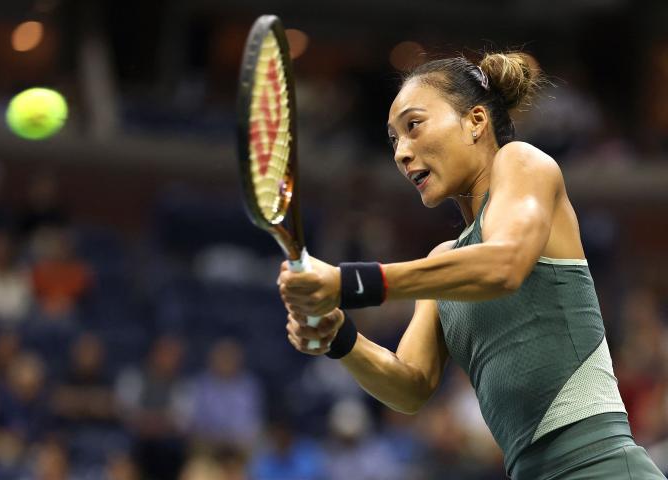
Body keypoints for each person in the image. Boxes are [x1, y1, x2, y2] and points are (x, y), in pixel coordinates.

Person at [277, 52, 666, 479]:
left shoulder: (522, 162)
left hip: (601, 468)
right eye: (393, 140)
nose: (401, 153)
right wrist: (338, 336)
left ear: (475, 121)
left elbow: (504, 264)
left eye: (413, 125)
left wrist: (348, 282)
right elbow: (410, 386)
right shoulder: (445, 262)